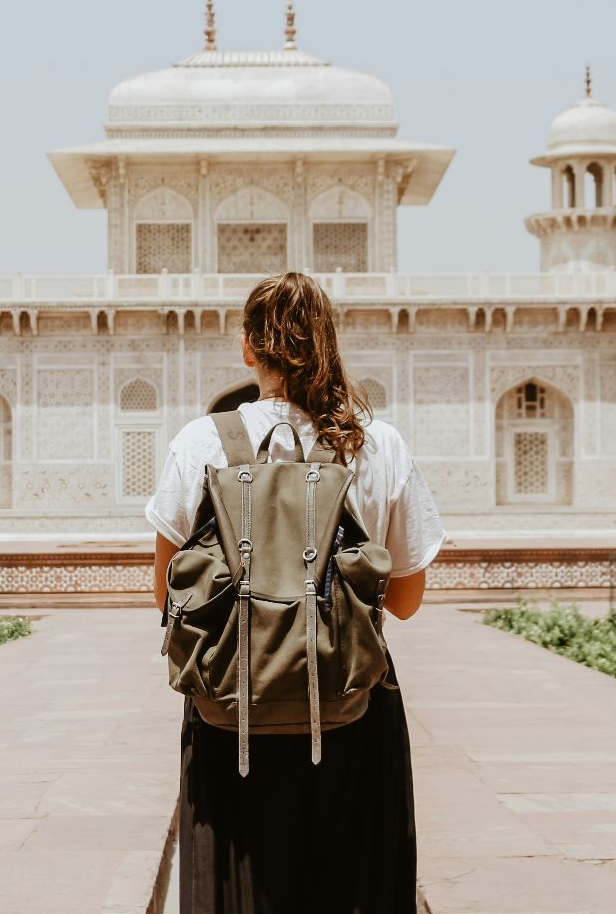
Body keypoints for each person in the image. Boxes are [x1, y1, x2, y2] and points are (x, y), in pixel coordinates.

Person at [145, 271, 445, 913]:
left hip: (231, 715)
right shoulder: (376, 445)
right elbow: (405, 601)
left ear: (247, 349)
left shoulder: (201, 442)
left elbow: (166, 594)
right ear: (329, 343)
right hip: (351, 709)